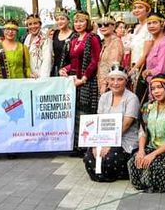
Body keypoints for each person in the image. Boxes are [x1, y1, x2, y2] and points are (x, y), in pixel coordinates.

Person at [84, 65, 140, 182]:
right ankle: (103, 172)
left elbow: (125, 125)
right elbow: (98, 123)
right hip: (105, 137)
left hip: (124, 139)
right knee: (90, 157)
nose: (115, 83)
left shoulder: (132, 98)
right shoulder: (104, 97)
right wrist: (96, 144)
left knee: (109, 158)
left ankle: (117, 172)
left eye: (120, 79)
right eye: (112, 79)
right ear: (108, 81)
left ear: (126, 81)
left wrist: (108, 144)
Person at [127, 74, 165, 193]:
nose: (156, 91)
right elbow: (143, 131)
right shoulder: (147, 107)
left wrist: (153, 155)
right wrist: (141, 151)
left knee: (152, 167)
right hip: (150, 147)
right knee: (134, 163)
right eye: (153, 88)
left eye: (160, 87)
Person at [59, 11, 101, 153]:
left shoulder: (93, 38)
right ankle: (76, 145)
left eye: (81, 21)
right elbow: (73, 62)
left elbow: (95, 61)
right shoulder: (74, 39)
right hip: (73, 80)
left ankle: (87, 146)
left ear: (87, 22)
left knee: (86, 113)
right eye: (76, 21)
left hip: (87, 81)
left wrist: (84, 79)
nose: (78, 24)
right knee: (75, 113)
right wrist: (64, 69)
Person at [140, 13, 165, 103]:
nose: (151, 26)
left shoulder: (164, 42)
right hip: (150, 85)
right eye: (149, 23)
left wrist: (148, 71)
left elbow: (161, 68)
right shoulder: (151, 42)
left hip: (160, 86)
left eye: (155, 23)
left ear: (162, 24)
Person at [96, 16, 124, 94]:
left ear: (113, 26)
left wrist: (106, 83)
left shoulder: (116, 42)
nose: (102, 27)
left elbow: (114, 65)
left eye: (106, 24)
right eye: (100, 25)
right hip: (101, 83)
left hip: (111, 84)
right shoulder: (103, 43)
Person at [23, 14, 52, 78]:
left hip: (39, 77)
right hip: (28, 76)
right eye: (30, 24)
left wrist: (43, 79)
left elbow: (47, 61)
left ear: (40, 24)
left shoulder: (45, 39)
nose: (33, 26)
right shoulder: (28, 37)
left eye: (35, 23)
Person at [51, 8, 75, 76]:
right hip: (56, 70)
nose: (59, 22)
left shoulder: (74, 35)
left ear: (68, 20)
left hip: (69, 70)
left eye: (62, 19)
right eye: (57, 19)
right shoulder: (55, 33)